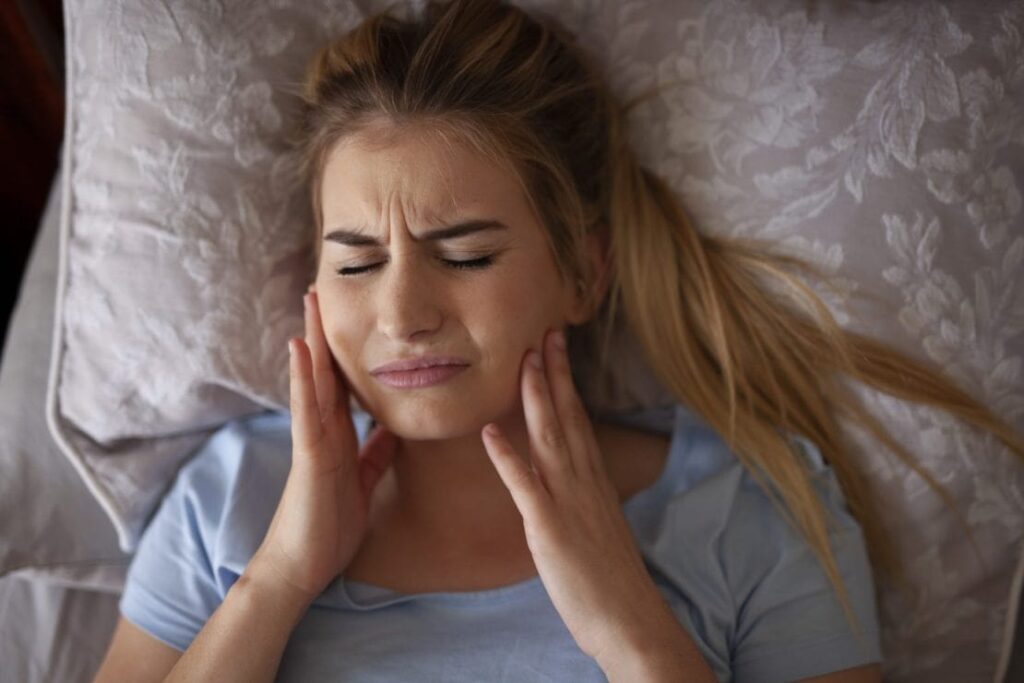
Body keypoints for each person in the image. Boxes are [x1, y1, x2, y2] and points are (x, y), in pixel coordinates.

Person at [93, 0, 1024, 681]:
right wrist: (278, 581)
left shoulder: (750, 513)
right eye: (357, 260)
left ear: (584, 273)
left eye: (464, 255)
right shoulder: (229, 502)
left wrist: (631, 627)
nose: (403, 311)